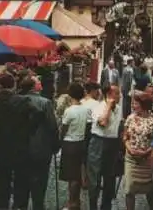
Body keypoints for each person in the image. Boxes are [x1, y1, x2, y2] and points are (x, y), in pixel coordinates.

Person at [0, 72, 41, 209]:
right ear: (13, 85)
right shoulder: (22, 101)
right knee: (21, 180)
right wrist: (29, 130)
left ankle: (2, 206)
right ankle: (18, 206)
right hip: (19, 146)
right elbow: (38, 113)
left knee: (2, 182)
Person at [17, 75, 60, 210]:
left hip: (21, 149)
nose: (40, 82)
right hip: (41, 149)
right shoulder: (45, 103)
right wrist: (55, 146)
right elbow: (52, 126)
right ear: (33, 86)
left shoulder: (17, 101)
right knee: (39, 184)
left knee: (22, 182)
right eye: (38, 81)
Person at [87, 84, 123, 210]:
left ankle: (106, 207)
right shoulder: (98, 107)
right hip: (99, 143)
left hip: (112, 144)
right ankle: (93, 207)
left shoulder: (118, 108)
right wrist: (108, 106)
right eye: (117, 93)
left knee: (110, 178)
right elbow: (103, 123)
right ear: (109, 94)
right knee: (95, 179)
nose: (120, 96)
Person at [124, 92, 153, 210]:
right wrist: (129, 149)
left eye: (136, 103)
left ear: (144, 104)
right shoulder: (131, 118)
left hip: (147, 160)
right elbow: (125, 137)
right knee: (129, 189)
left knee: (150, 189)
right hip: (131, 159)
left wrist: (146, 152)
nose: (133, 105)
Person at [59, 82, 89, 210]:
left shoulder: (69, 111)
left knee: (71, 176)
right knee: (76, 174)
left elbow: (63, 129)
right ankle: (76, 201)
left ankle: (71, 203)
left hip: (69, 143)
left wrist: (59, 141)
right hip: (81, 143)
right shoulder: (85, 109)